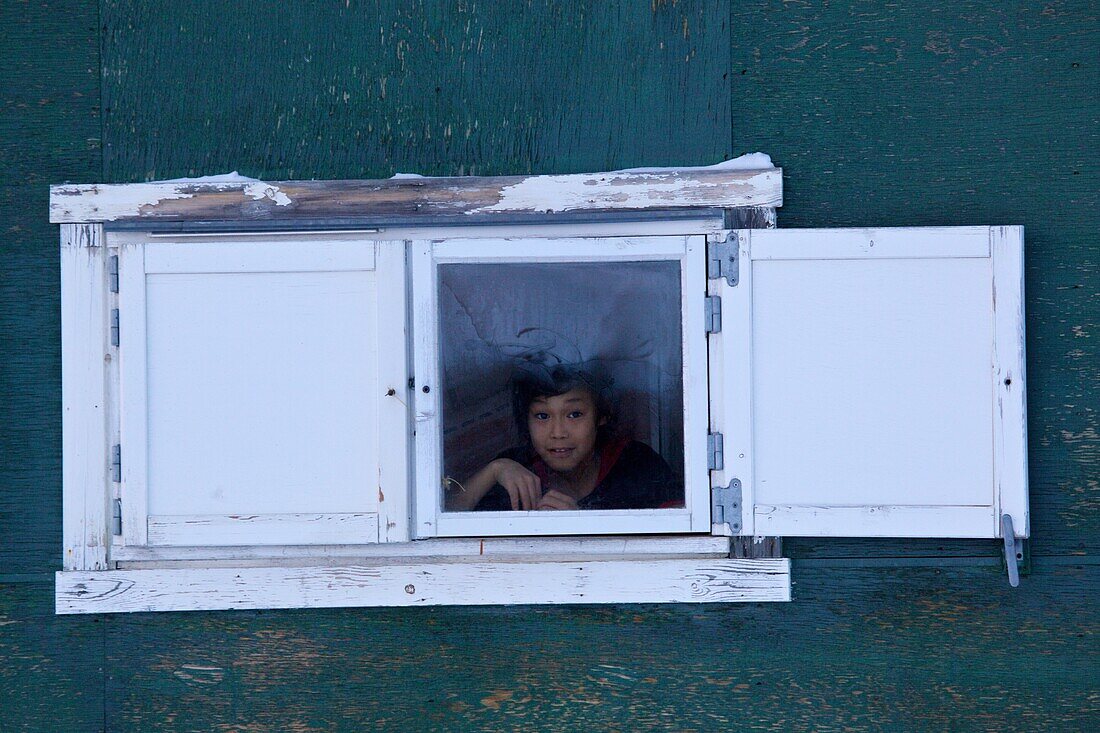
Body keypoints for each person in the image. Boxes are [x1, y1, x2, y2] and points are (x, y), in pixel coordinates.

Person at [446, 364, 680, 511]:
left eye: (574, 414)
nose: (558, 433)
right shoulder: (516, 470)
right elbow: (442, 519)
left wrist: (580, 527)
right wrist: (494, 470)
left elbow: (679, 540)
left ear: (601, 416)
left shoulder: (635, 465)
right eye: (542, 415)